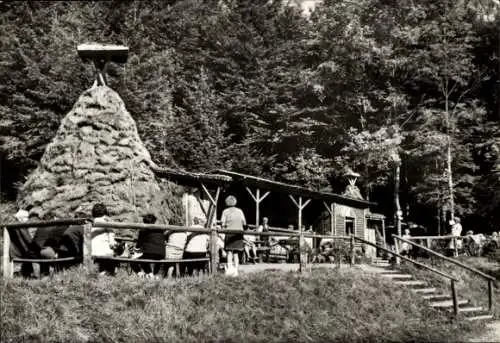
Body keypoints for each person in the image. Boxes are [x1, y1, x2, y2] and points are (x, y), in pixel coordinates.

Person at [132, 214, 165, 279]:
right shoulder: (160, 230)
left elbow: (138, 246)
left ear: (144, 222)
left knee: (134, 261)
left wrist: (135, 248)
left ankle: (143, 274)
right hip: (162, 254)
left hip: (150, 253)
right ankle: (153, 275)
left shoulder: (143, 231)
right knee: (146, 258)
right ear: (154, 221)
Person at [221, 195, 246, 277]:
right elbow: (244, 223)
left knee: (229, 252)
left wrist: (224, 226)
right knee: (236, 253)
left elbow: (222, 224)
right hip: (239, 233)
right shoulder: (240, 211)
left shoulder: (225, 211)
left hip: (230, 232)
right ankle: (236, 270)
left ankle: (229, 270)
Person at [90, 203, 118, 276]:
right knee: (114, 253)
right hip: (104, 252)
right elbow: (111, 239)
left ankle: (101, 272)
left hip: (92, 251)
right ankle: (108, 272)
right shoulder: (106, 222)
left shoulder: (91, 223)